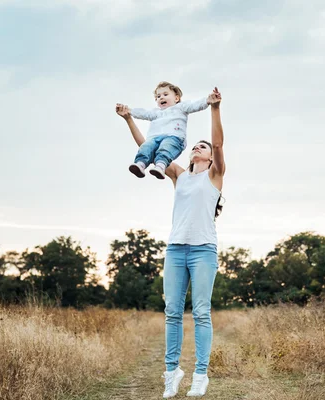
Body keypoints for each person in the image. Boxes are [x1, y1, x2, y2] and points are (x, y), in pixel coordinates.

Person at [115, 87, 225, 398]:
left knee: (201, 312)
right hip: (176, 250)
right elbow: (146, 147)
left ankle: (200, 375)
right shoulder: (179, 175)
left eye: (201, 147)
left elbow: (217, 143)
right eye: (195, 146)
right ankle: (172, 371)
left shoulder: (214, 176)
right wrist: (128, 120)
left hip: (203, 250)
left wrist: (214, 108)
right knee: (172, 312)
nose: (197, 148)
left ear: (209, 156)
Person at [117, 81, 213, 180]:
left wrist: (207, 100)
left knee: (165, 148)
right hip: (155, 138)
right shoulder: (156, 113)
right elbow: (143, 113)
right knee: (146, 147)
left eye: (165, 94)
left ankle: (161, 166)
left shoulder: (180, 107)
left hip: (174, 137)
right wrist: (129, 111)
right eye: (158, 97)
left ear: (176, 98)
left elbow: (195, 105)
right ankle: (141, 164)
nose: (161, 97)